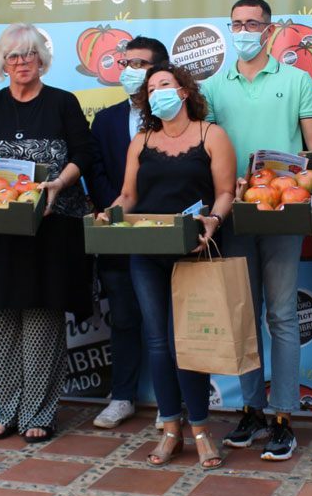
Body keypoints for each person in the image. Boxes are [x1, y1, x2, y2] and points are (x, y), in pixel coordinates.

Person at [201, 0, 312, 461]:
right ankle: (251, 410)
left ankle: (283, 415)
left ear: (268, 29)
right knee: (243, 315)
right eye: (235, 22)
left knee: (281, 314)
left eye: (251, 24)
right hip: (234, 214)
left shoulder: (299, 79)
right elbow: (211, 152)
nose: (242, 30)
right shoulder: (213, 86)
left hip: (284, 213)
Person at [0, 23, 93, 444]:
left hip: (50, 230)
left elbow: (84, 153)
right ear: (3, 63)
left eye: (29, 54)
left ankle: (39, 412)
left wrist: (59, 183)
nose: (21, 63)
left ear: (42, 59)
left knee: (40, 320)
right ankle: (7, 408)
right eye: (13, 56)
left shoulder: (63, 103)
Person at [100, 63, 235, 468]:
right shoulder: (140, 140)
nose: (157, 90)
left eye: (165, 84)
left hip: (193, 249)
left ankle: (201, 430)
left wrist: (214, 219)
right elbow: (127, 195)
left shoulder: (212, 135)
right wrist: (111, 213)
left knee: (187, 344)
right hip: (145, 251)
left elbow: (226, 191)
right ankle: (171, 430)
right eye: (150, 87)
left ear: (183, 92)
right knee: (158, 342)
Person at [87, 36, 168, 429]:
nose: (130, 71)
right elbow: (96, 170)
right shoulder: (104, 120)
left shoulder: (176, 117)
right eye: (126, 62)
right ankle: (122, 396)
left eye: (140, 64)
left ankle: (173, 402)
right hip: (117, 234)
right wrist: (116, 211)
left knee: (166, 321)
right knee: (123, 318)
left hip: (165, 233)